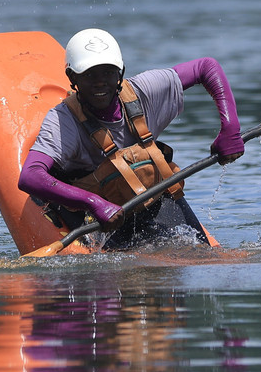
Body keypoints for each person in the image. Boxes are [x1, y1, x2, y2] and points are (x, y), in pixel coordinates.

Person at [18, 28, 246, 250]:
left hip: (147, 196)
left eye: (108, 72)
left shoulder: (145, 90)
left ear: (121, 72)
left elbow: (206, 67)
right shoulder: (62, 121)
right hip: (93, 213)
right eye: (89, 74)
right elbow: (30, 177)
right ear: (72, 77)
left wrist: (230, 128)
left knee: (200, 254)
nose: (100, 82)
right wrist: (92, 203)